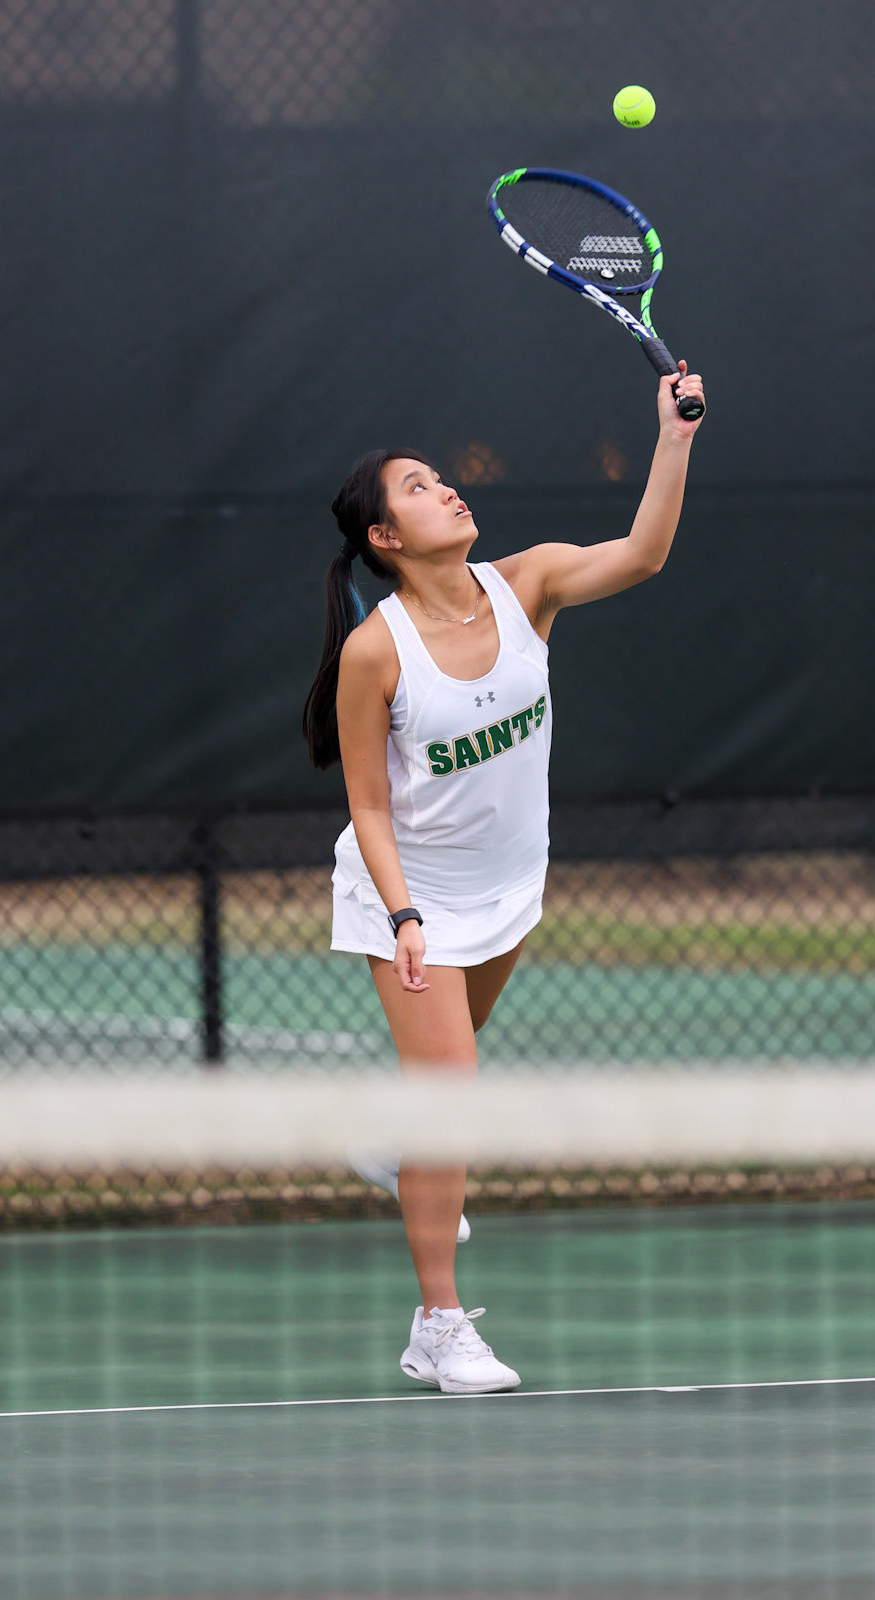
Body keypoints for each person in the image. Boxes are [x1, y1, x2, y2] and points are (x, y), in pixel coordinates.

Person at [301, 362, 706, 1395]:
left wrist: (673, 437)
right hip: (409, 894)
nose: (446, 489)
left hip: (511, 884)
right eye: (419, 487)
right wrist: (402, 913)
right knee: (452, 1096)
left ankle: (391, 1136)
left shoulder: (528, 583)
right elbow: (369, 805)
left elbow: (644, 553)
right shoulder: (374, 653)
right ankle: (438, 1325)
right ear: (385, 536)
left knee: (445, 1080)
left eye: (441, 477)